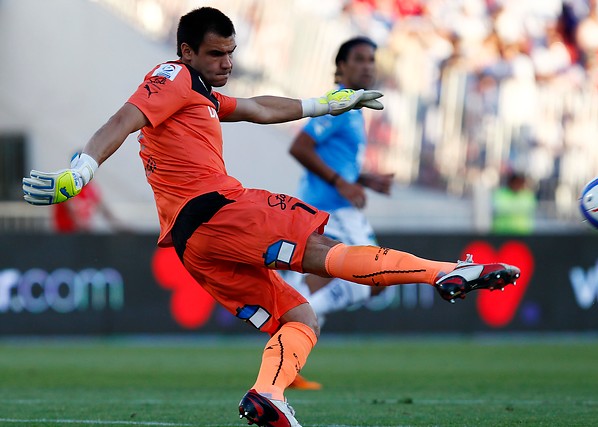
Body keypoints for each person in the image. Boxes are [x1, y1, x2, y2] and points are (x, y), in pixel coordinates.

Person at [23, 8, 520, 427]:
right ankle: (445, 272)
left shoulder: (199, 94)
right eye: (215, 53)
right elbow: (122, 119)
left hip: (193, 244)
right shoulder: (171, 77)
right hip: (219, 211)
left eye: (230, 52)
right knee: (322, 253)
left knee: (299, 316)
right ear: (186, 51)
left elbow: (259, 108)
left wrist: (325, 103)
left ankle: (269, 395)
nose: (227, 62)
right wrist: (82, 170)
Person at [287, 36, 392, 347]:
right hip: (331, 207)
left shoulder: (355, 108)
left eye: (371, 59)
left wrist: (364, 178)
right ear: (341, 66)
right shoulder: (338, 104)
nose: (367, 66)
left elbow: (336, 159)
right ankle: (291, 320)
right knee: (372, 278)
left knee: (337, 278)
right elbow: (300, 146)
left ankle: (290, 334)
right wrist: (341, 183)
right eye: (359, 59)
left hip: (333, 204)